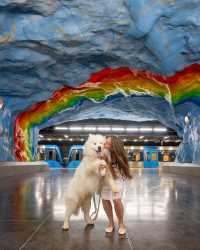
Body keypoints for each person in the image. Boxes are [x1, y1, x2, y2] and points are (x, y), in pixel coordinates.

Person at [101, 136, 132, 235]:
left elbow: (123, 171)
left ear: (114, 146)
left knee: (117, 200)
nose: (104, 144)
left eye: (107, 143)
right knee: (105, 200)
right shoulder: (102, 153)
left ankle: (121, 223)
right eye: (105, 142)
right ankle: (110, 223)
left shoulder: (120, 156)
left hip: (117, 179)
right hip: (104, 179)